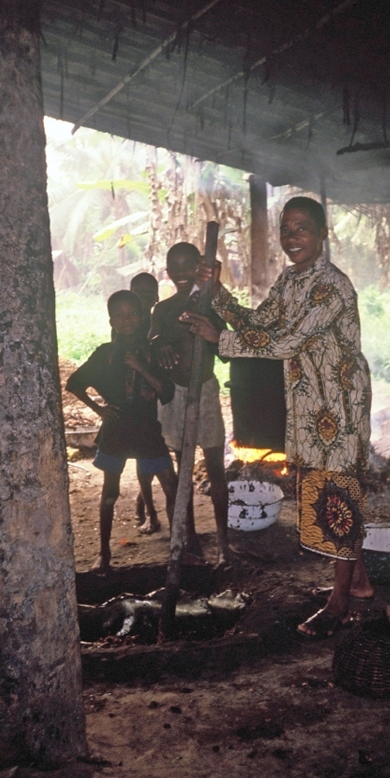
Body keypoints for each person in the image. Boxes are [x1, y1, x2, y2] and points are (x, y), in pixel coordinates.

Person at [185, 196, 374, 637]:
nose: (292, 237)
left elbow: (287, 341)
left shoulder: (334, 286)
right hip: (310, 406)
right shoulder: (290, 281)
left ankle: (339, 602)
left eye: (302, 228)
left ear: (323, 234)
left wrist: (222, 340)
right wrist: (219, 296)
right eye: (286, 229)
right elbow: (261, 324)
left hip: (340, 406)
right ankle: (359, 582)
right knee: (328, 491)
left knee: (338, 494)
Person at [66, 290, 177, 572]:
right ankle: (103, 554)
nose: (127, 320)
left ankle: (180, 548)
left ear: (141, 317)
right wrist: (99, 409)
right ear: (111, 321)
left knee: (171, 486)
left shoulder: (154, 351)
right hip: (116, 430)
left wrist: (142, 368)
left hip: (147, 430)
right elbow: (74, 383)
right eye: (120, 315)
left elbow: (166, 393)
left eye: (132, 314)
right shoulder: (105, 353)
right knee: (109, 494)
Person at [149, 242, 230, 564]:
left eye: (188, 266)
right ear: (167, 271)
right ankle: (191, 540)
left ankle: (224, 542)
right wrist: (160, 345)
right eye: (175, 266)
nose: (182, 273)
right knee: (183, 472)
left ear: (199, 266)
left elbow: (225, 348)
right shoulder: (164, 310)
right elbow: (152, 340)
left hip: (205, 390)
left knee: (216, 471)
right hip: (178, 394)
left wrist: (210, 325)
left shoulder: (209, 302)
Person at [129, 272, 163, 535]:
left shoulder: (159, 320)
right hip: (138, 399)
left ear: (156, 296)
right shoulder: (127, 324)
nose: (144, 297)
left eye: (149, 292)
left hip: (160, 395)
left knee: (155, 453)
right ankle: (151, 513)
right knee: (144, 455)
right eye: (138, 292)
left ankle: (143, 500)